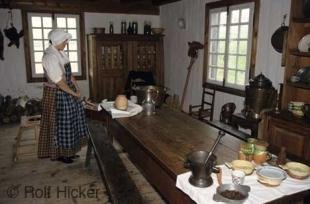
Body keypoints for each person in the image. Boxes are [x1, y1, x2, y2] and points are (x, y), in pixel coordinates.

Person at [38, 29, 89, 164]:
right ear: (57, 41)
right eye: (64, 41)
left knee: (71, 122)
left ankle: (70, 151)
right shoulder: (50, 57)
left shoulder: (61, 53)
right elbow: (59, 82)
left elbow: (69, 75)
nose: (66, 43)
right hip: (57, 94)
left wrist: (77, 88)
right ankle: (60, 154)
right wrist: (74, 93)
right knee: (61, 124)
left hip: (67, 91)